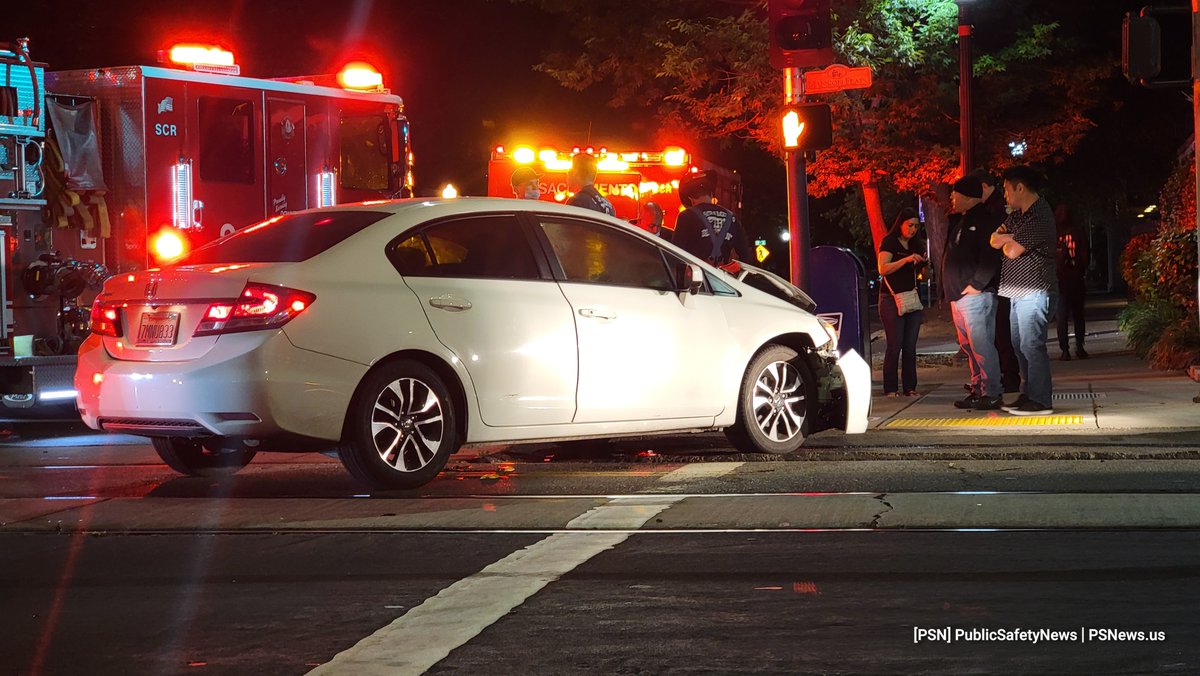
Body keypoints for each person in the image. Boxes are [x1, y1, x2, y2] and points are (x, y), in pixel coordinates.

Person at [990, 165, 1058, 416]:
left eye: (1007, 190)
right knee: (1019, 345)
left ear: (1020, 187)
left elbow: (1010, 250)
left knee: (1031, 344)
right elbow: (994, 238)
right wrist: (1009, 238)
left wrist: (1008, 240)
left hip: (1035, 289)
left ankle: (1041, 400)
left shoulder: (1040, 214)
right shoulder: (1018, 215)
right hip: (1016, 291)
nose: (1005, 196)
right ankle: (1029, 393)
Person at [944, 176, 1004, 410]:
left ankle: (992, 391)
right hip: (959, 294)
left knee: (981, 344)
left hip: (975, 294)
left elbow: (991, 255)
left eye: (955, 193)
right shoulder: (961, 220)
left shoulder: (984, 220)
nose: (952, 197)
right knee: (969, 345)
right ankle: (978, 388)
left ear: (968, 197)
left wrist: (978, 283)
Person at [971, 168, 1021, 394]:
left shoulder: (997, 209)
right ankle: (1004, 375)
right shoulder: (995, 206)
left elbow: (996, 242)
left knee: (1001, 329)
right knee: (999, 329)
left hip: (1002, 277)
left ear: (982, 186)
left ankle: (1008, 376)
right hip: (1001, 277)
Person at [877, 207, 926, 397]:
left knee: (910, 345)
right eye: (910, 225)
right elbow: (883, 268)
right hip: (891, 298)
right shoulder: (890, 242)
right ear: (901, 225)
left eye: (916, 226)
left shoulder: (917, 244)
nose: (912, 230)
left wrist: (923, 264)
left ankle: (910, 387)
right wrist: (905, 260)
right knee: (894, 343)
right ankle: (890, 387)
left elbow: (924, 273)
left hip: (911, 297)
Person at [672, 171, 751, 271]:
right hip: (723, 282)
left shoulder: (686, 216)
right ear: (711, 194)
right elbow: (745, 255)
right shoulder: (732, 218)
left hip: (698, 281)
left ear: (690, 199)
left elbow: (676, 254)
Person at [1055, 204, 1089, 361]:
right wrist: (1080, 270)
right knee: (1077, 314)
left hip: (1062, 280)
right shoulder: (1077, 232)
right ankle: (1078, 346)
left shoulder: (1054, 233)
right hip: (1074, 280)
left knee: (1063, 316)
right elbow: (1085, 255)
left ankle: (1065, 349)